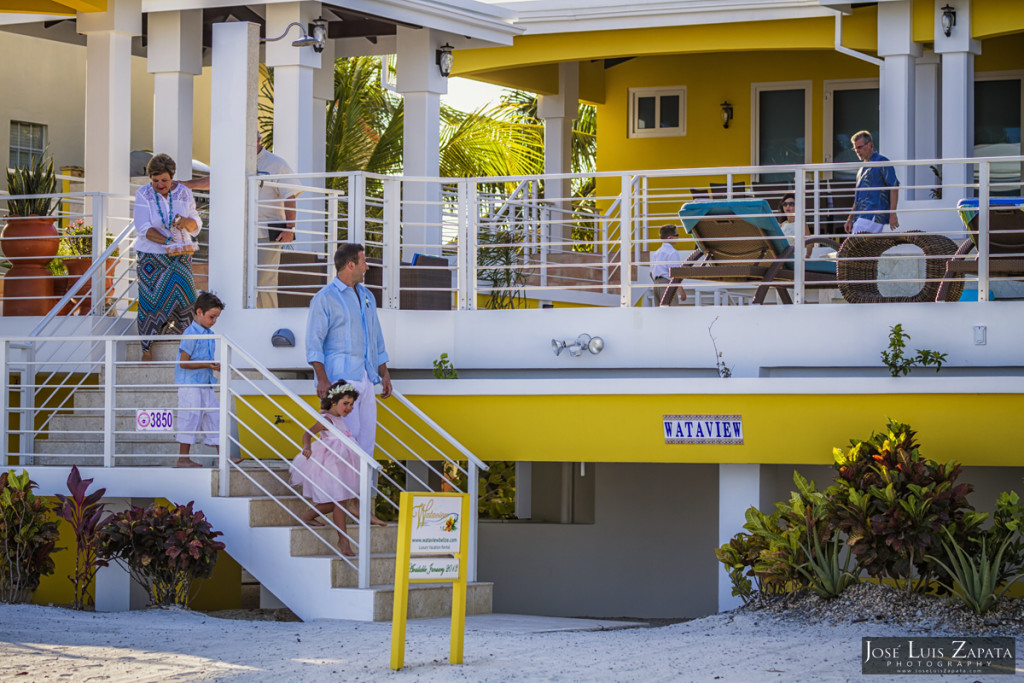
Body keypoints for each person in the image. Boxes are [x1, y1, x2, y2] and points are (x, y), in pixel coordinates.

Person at [182, 133, 298, 308]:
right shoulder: (236, 162)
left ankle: (266, 319)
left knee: (263, 280)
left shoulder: (277, 164)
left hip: (268, 232)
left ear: (258, 140)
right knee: (236, 281)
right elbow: (215, 182)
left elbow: (290, 196)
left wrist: (289, 228)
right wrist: (185, 185)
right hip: (239, 232)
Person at [306, 244, 392, 462]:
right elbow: (314, 340)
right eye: (364, 262)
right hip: (340, 378)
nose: (367, 267)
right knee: (345, 439)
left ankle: (362, 494)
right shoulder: (325, 298)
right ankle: (342, 493)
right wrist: (322, 379)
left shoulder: (367, 296)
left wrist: (384, 372)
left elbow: (376, 337)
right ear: (350, 265)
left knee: (366, 440)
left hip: (366, 375)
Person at [290, 380, 386, 554]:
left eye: (351, 404)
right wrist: (307, 447)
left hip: (342, 465)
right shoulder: (327, 418)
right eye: (345, 403)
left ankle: (307, 516)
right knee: (339, 503)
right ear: (334, 402)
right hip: (329, 465)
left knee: (333, 503)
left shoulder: (339, 419)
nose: (349, 408)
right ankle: (343, 541)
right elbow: (308, 433)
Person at [133, 153, 202, 362]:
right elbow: (143, 228)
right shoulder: (143, 194)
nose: (160, 184)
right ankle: (147, 348)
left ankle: (188, 342)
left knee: (187, 296)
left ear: (172, 177)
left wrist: (185, 222)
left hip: (180, 256)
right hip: (151, 257)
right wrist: (167, 242)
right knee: (149, 301)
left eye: (164, 180)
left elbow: (196, 225)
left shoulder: (184, 193)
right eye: (155, 181)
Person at [174, 291, 236, 468]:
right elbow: (183, 363)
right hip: (190, 385)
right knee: (190, 417)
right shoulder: (190, 333)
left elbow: (204, 360)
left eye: (216, 317)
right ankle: (183, 458)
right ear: (199, 312)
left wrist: (212, 366)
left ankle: (223, 455)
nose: (214, 320)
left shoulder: (210, 334)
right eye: (211, 316)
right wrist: (208, 365)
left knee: (215, 416)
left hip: (205, 384)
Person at [844, 130, 900, 234]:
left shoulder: (882, 162)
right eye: (855, 148)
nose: (857, 151)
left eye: (859, 147)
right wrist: (850, 218)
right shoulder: (861, 169)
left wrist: (892, 214)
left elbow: (894, 186)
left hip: (874, 215)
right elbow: (858, 198)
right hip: (860, 217)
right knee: (858, 248)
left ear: (870, 144)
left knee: (854, 247)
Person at [650, 224, 687, 306]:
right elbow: (675, 273)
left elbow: (651, 273)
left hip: (656, 284)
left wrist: (658, 283)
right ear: (670, 238)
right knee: (672, 313)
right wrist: (681, 291)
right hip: (667, 284)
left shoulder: (657, 252)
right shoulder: (672, 252)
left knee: (660, 314)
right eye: (676, 235)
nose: (678, 238)